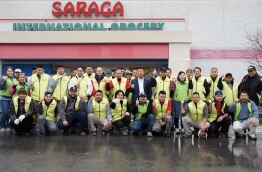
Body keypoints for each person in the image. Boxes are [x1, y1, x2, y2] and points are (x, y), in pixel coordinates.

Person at [0, 66, 18, 133]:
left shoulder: (14, 79)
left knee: (10, 113)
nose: (10, 72)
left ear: (13, 72)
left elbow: (14, 90)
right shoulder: (3, 78)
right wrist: (4, 80)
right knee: (5, 113)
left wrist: (14, 86)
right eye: (8, 71)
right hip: (4, 98)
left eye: (11, 71)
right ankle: (2, 125)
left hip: (12, 98)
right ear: (6, 72)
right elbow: (1, 87)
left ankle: (8, 125)